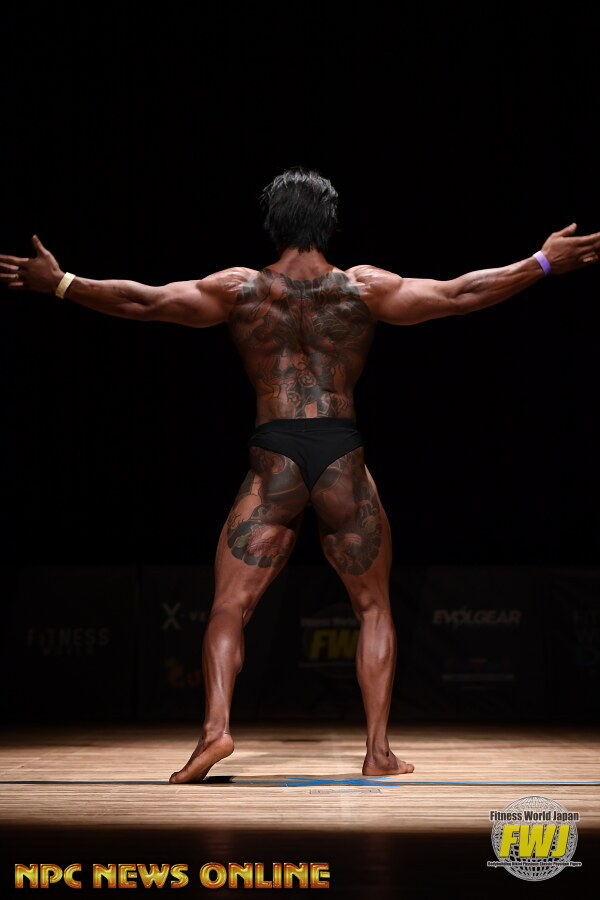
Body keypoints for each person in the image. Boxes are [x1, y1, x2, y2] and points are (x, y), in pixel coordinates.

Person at [3, 168, 598, 783]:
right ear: (330, 223)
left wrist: (62, 284)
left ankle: (215, 731)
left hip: (275, 455)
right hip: (342, 454)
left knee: (229, 606)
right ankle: (378, 752)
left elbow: (144, 301)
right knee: (373, 607)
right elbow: (459, 295)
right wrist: (541, 263)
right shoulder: (363, 287)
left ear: (273, 223)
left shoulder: (240, 289)